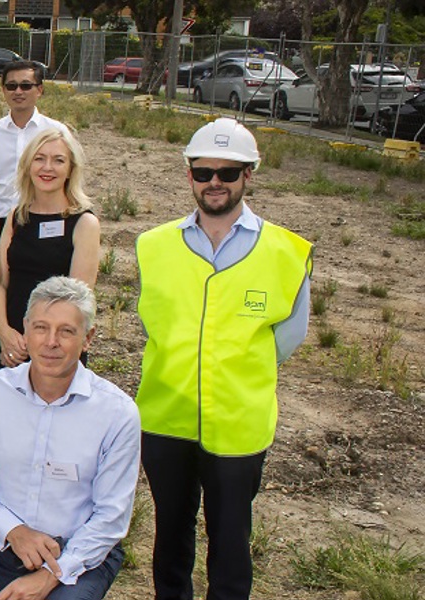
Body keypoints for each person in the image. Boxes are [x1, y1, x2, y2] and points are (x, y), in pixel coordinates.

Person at [136, 118, 312, 600]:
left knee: (231, 538)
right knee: (170, 532)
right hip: (166, 417)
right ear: (189, 175)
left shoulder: (286, 252)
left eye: (228, 172)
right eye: (203, 171)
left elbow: (287, 339)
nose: (215, 181)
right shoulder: (153, 246)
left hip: (238, 423)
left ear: (249, 175)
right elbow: (153, 322)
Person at [0, 277, 139, 600]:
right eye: (40, 328)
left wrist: (54, 573)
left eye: (66, 331)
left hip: (82, 551)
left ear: (88, 338)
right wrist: (14, 531)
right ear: (25, 329)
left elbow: (111, 516)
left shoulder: (117, 413)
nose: (51, 341)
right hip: (12, 546)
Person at [0, 127, 101, 372]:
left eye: (58, 160)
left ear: (71, 169)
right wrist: (4, 331)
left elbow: (77, 301)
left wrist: (36, 341)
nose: (47, 167)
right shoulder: (16, 217)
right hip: (11, 348)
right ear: (28, 165)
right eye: (40, 159)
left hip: (54, 350)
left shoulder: (84, 224)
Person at [0, 61, 69, 222]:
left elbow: (67, 178)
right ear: (3, 90)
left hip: (42, 218)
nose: (18, 91)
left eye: (26, 86)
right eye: (11, 86)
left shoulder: (56, 132)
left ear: (39, 90)